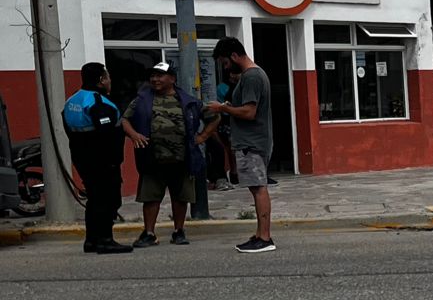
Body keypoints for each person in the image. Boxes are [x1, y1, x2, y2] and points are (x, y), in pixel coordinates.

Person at [122, 62, 215, 247]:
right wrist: (134, 135)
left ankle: (179, 231)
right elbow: (125, 119)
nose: (155, 79)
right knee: (150, 197)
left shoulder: (189, 101)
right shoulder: (141, 100)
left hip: (182, 158)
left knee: (180, 197)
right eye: (153, 76)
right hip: (152, 158)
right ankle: (149, 233)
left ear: (172, 79)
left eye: (160, 75)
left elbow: (214, 117)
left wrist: (203, 136)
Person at [207, 37, 275, 253]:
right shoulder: (252, 75)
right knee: (256, 188)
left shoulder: (252, 76)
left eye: (226, 63)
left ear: (235, 56)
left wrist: (223, 109)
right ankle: (259, 234)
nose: (226, 68)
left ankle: (264, 237)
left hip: (252, 143)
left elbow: (249, 112)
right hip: (252, 141)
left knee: (258, 188)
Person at [62, 62, 132, 254]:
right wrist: (111, 160)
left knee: (94, 198)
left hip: (81, 157)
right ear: (101, 80)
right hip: (102, 160)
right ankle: (105, 240)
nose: (110, 81)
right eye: (107, 77)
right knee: (107, 199)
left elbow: (68, 128)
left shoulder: (73, 100)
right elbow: (106, 135)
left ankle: (91, 240)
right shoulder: (99, 103)